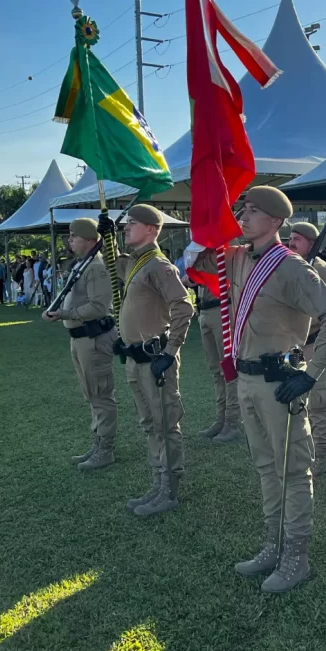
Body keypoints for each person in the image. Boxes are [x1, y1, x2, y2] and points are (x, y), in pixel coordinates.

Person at [191, 186, 326, 593]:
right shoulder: (238, 257)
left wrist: (311, 373)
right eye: (242, 209)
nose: (243, 217)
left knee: (293, 472)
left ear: (276, 221)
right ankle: (273, 544)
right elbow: (198, 255)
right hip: (245, 380)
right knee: (265, 468)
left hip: (280, 383)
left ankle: (296, 557)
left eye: (253, 211)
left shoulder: (292, 268)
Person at [116, 204, 194, 517]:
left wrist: (170, 350)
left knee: (165, 423)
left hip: (155, 359)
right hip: (135, 358)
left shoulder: (159, 266)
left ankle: (169, 490)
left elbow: (184, 308)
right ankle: (157, 482)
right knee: (150, 423)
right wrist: (106, 236)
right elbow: (111, 265)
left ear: (151, 228)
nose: (125, 228)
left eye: (131, 224)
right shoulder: (136, 263)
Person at [41, 218, 119, 471]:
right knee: (91, 394)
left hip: (93, 338)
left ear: (89, 240)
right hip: (80, 338)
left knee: (100, 395)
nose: (70, 240)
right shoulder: (81, 265)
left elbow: (98, 306)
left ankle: (105, 449)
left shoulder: (96, 267)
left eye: (74, 236)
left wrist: (63, 314)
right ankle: (98, 443)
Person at [288, 222, 326, 475]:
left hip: (315, 343)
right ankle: (301, 448)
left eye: (297, 239)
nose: (291, 243)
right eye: (290, 238)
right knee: (294, 399)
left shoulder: (323, 272)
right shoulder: (288, 268)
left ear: (312, 243)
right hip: (292, 344)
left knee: (318, 401)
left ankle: (320, 453)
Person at [193, 282, 242, 443]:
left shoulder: (222, 256)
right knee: (216, 371)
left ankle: (232, 422)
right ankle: (221, 419)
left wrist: (196, 275)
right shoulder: (198, 257)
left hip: (221, 309)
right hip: (204, 310)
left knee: (228, 371)